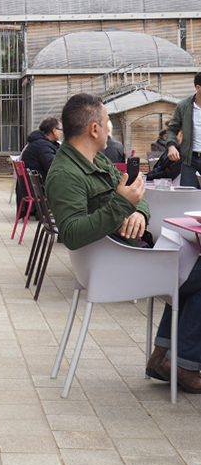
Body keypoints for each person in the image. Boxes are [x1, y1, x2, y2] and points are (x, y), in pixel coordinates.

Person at [46, 92, 201, 393]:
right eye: (107, 124)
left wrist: (138, 214)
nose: (109, 130)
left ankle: (166, 357)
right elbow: (72, 234)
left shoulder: (93, 159)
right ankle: (181, 362)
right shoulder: (66, 173)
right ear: (93, 129)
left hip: (127, 256)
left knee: (193, 266)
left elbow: (135, 192)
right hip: (114, 267)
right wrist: (121, 204)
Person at [164, 74, 201, 187]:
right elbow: (172, 129)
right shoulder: (184, 106)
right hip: (190, 160)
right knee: (187, 197)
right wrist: (171, 146)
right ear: (198, 88)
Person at [21, 116, 62, 180]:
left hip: (35, 185)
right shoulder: (42, 146)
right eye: (60, 130)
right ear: (54, 131)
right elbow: (54, 170)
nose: (61, 132)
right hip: (42, 186)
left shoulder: (39, 143)